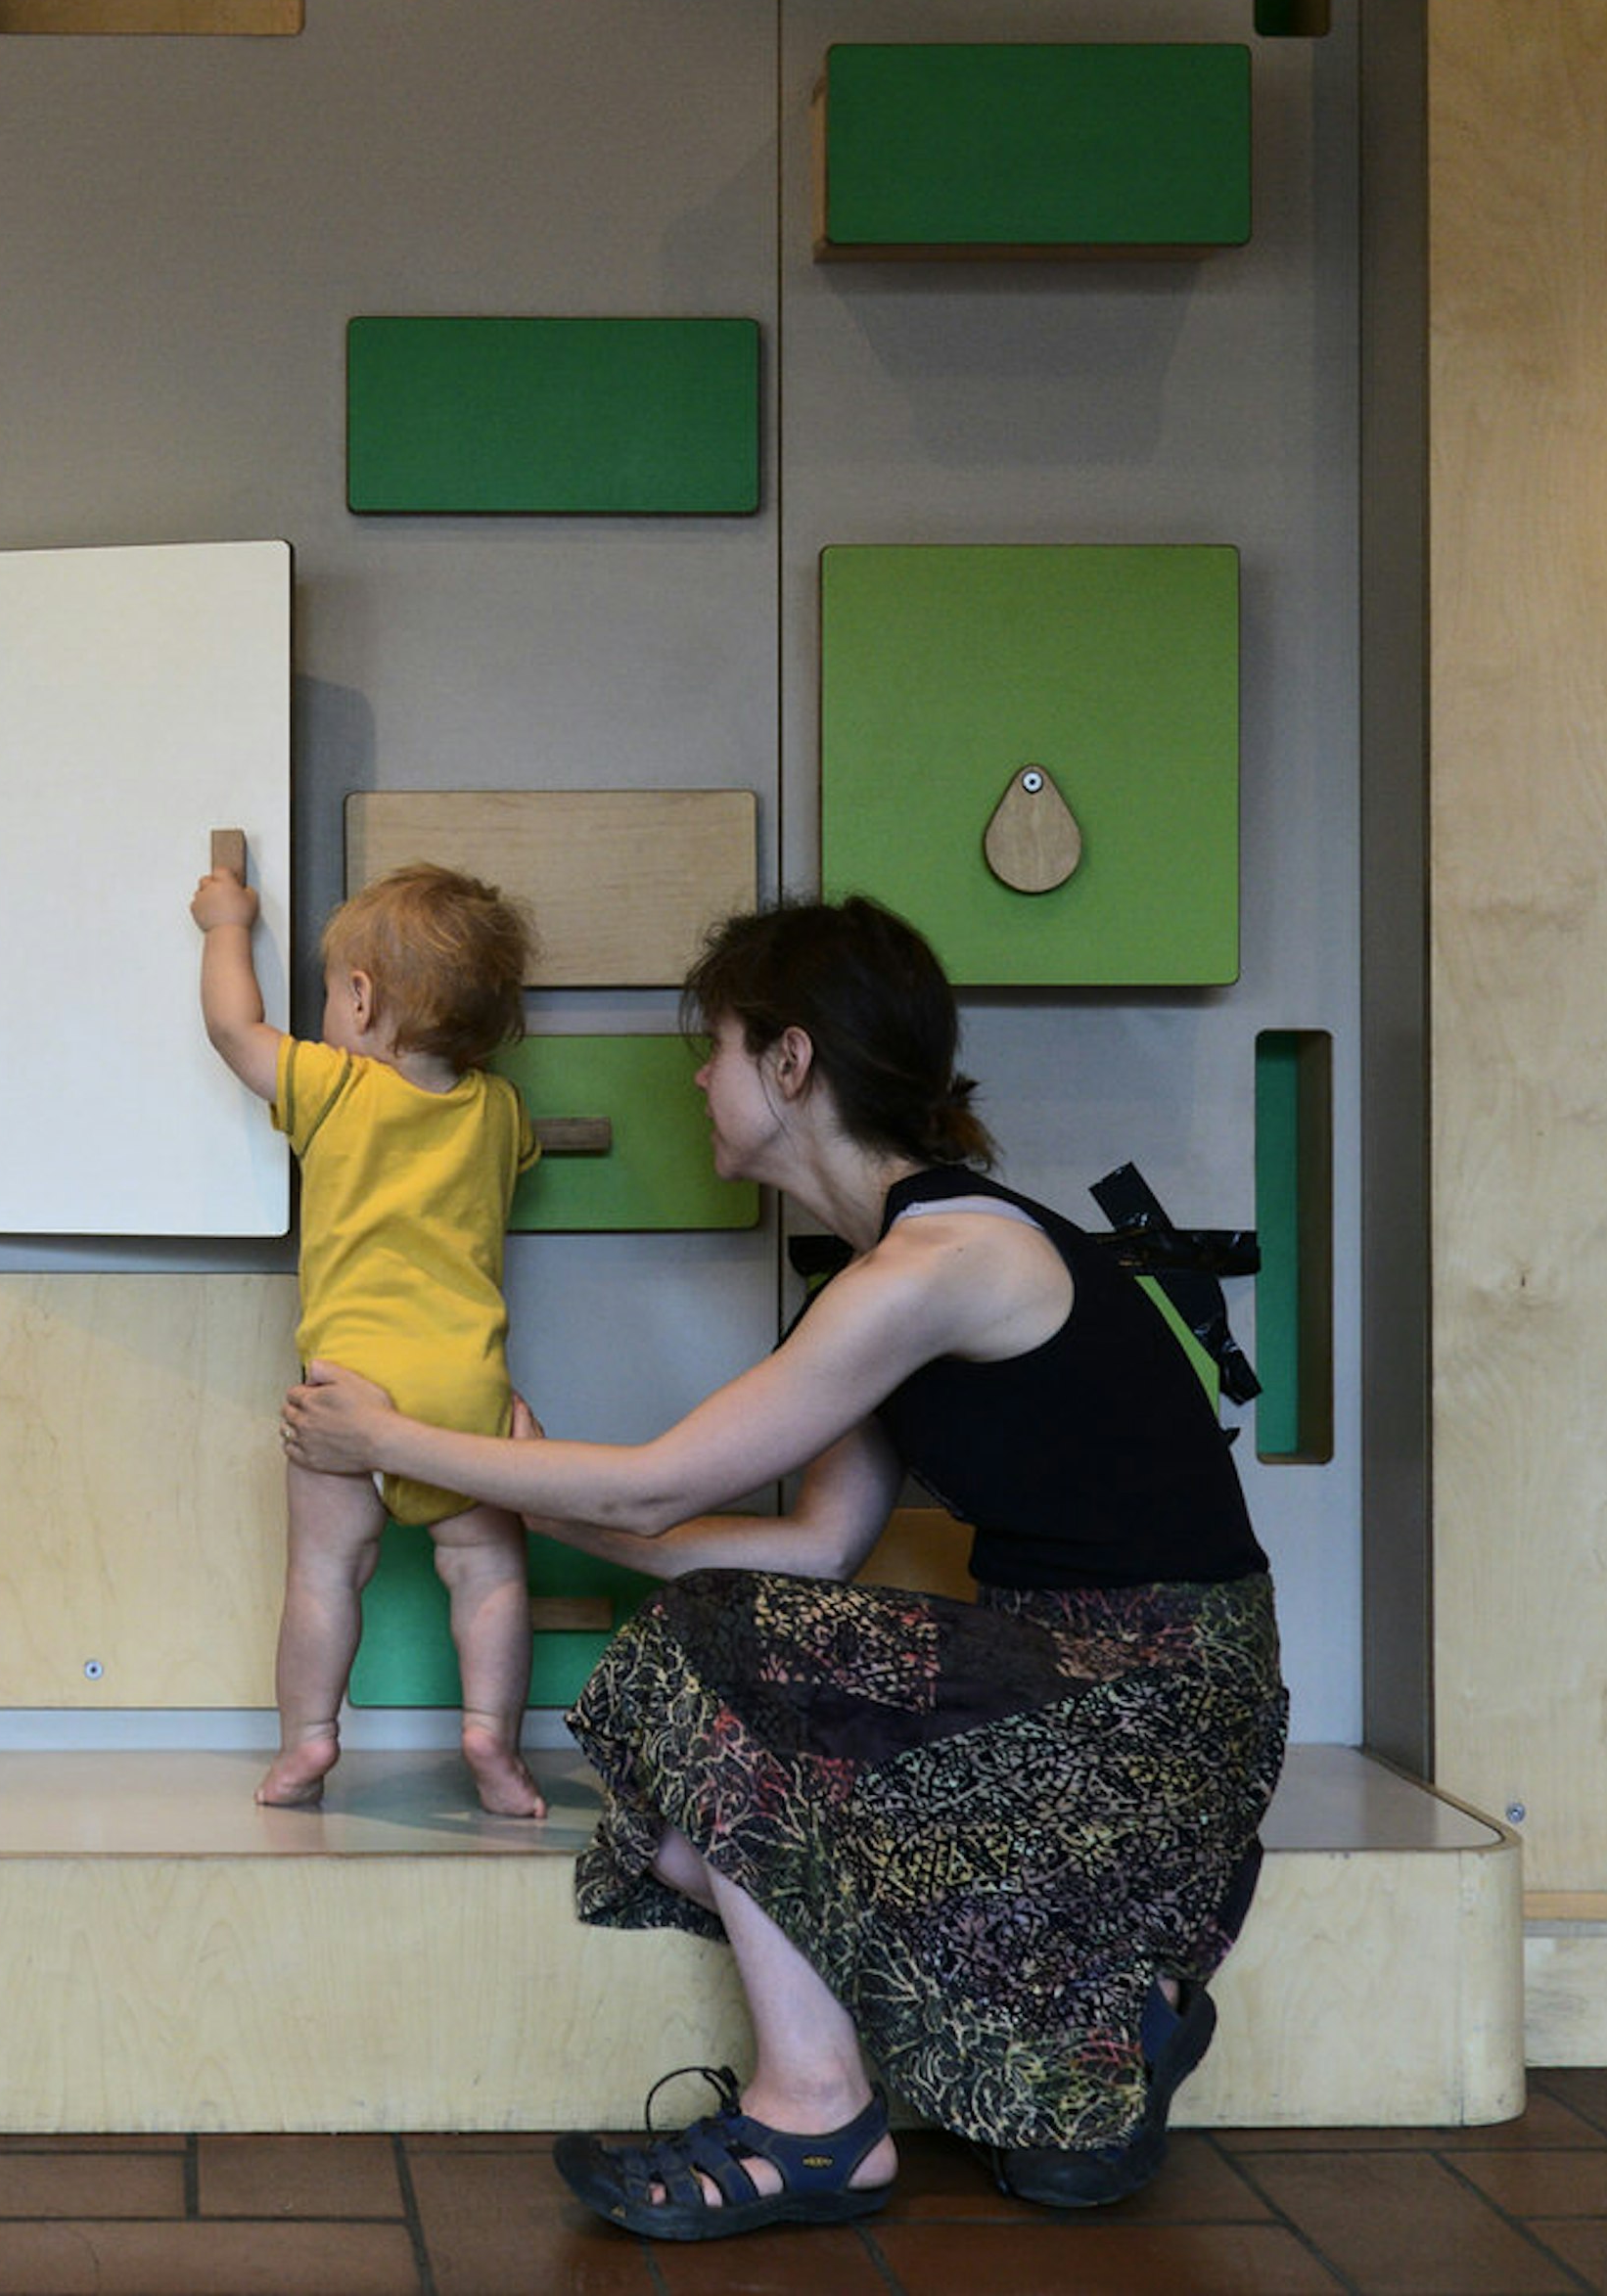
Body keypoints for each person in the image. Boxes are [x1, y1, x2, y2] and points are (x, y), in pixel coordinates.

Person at [280, 894, 1286, 2238]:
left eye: (723, 1045)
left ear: (793, 1063)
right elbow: (812, 1544)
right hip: (1057, 1699)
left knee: (702, 1664)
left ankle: (816, 2115)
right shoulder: (878, 1283)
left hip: (1162, 1705)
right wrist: (538, 1501)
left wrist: (395, 1442)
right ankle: (1108, 2017)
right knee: (688, 1812)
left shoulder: (946, 1260)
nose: (701, 1075)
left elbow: (662, 1483)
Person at [196, 856, 548, 1818]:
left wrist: (225, 924)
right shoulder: (500, 1112)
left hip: (347, 1394)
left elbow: (233, 1027)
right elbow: (519, 1156)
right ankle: (491, 1737)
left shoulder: (336, 1087)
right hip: (466, 1398)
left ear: (358, 999)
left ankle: (308, 1743)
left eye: (326, 994)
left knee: (323, 1570)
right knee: (485, 1570)